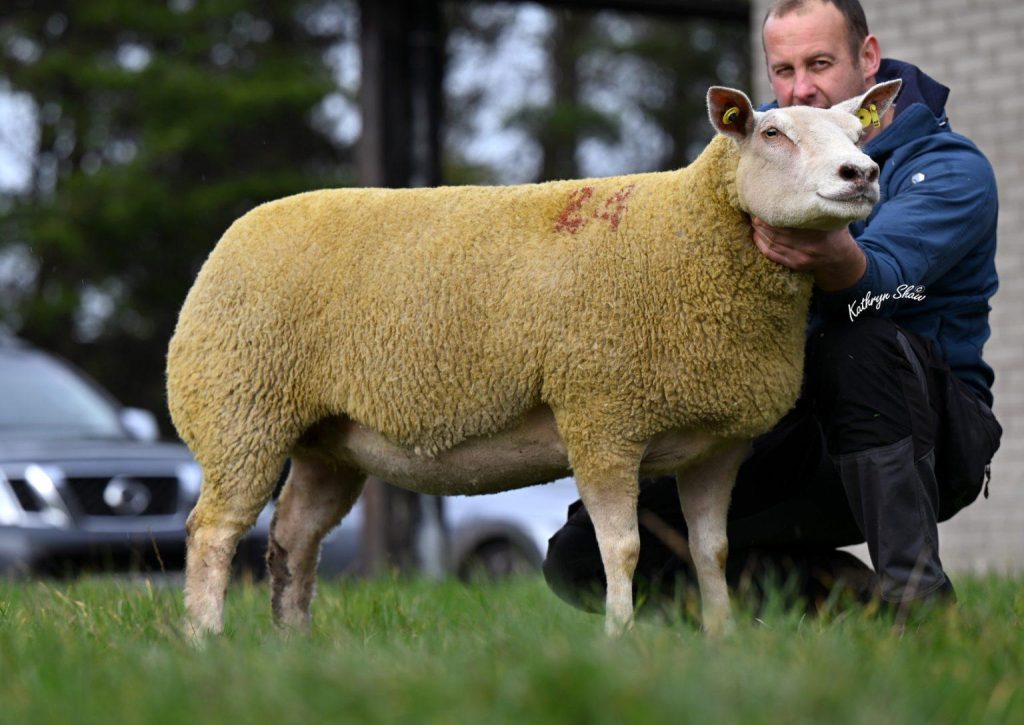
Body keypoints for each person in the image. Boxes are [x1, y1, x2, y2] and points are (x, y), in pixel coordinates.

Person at [542, 0, 1001, 620]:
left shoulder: (948, 169)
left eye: (820, 63)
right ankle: (840, 599)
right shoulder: (755, 165)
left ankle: (920, 609)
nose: (801, 87)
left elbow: (886, 284)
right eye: (784, 70)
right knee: (580, 559)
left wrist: (838, 259)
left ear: (868, 58)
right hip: (788, 418)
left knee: (858, 340)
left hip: (930, 437)